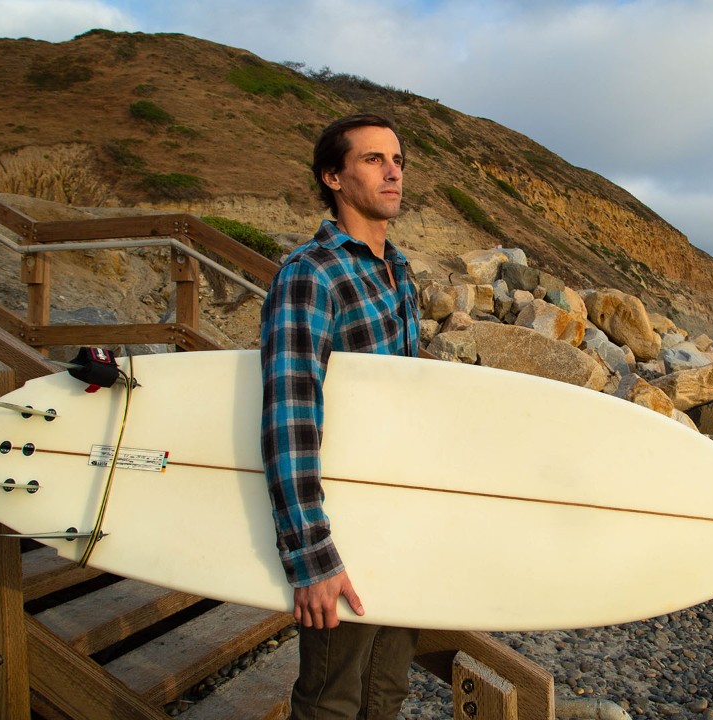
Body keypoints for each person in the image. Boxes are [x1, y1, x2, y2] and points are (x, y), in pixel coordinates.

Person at [260, 113, 421, 720]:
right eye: (374, 159)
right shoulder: (311, 274)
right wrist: (311, 558)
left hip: (398, 516)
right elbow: (289, 415)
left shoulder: (398, 272)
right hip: (341, 525)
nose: (393, 171)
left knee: (387, 690)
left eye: (398, 160)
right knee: (332, 698)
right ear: (333, 176)